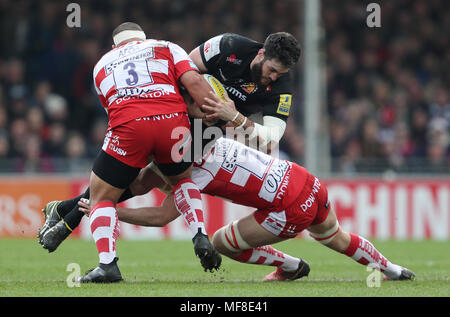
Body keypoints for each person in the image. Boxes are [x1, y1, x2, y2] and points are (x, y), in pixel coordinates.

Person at [38, 32, 302, 252]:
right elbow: (180, 72)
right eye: (272, 70)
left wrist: (233, 117)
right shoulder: (228, 46)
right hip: (176, 111)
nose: (274, 78)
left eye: (281, 73)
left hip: (208, 132)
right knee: (131, 169)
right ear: (260, 55)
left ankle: (66, 211)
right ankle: (69, 214)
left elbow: (270, 142)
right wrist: (192, 106)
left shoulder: (281, 90)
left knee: (144, 183)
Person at [77, 137, 416, 281]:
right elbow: (147, 181)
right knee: (336, 238)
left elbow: (163, 215)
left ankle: (292, 267)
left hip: (288, 207)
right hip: (306, 180)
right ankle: (393, 270)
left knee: (223, 243)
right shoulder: (211, 141)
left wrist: (110, 208)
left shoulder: (192, 172)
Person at [67, 22, 222, 283]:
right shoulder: (165, 47)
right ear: (142, 38)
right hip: (172, 122)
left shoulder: (102, 64)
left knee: (101, 197)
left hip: (130, 127)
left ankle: (107, 265)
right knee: (180, 180)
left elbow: (113, 109)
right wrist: (214, 114)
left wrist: (139, 147)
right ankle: (199, 233)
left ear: (116, 46)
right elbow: (193, 80)